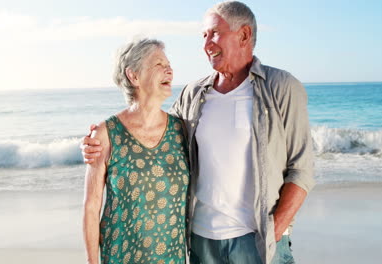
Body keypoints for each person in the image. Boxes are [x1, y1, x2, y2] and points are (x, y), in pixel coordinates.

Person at [82, 2, 315, 263]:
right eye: (203, 36)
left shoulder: (281, 87)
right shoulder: (193, 94)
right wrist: (101, 140)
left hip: (257, 241)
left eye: (214, 33)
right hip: (202, 242)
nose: (206, 44)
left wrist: (275, 231)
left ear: (244, 35)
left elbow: (302, 169)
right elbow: (153, 127)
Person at [82, 38, 189, 264]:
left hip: (172, 258)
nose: (169, 69)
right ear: (134, 76)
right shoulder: (106, 134)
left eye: (168, 64)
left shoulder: (182, 131)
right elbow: (92, 208)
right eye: (158, 64)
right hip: (121, 256)